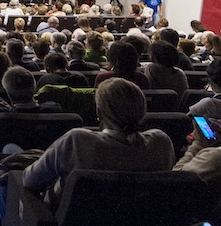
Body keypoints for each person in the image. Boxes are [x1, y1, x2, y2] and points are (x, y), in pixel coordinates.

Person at [22, 78, 174, 204]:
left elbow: (30, 180)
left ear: (99, 112)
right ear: (142, 110)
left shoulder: (78, 141)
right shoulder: (162, 143)